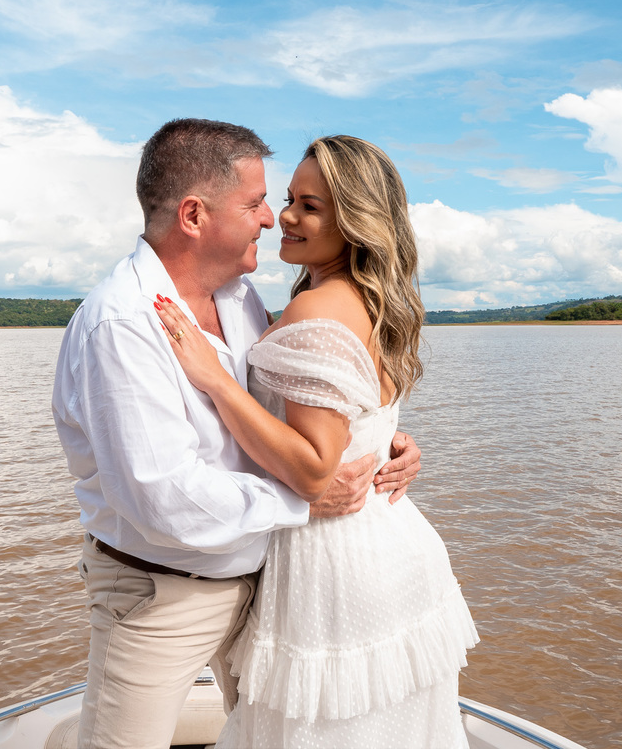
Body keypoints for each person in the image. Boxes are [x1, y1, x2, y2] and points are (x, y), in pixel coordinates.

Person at [51, 119, 424, 749]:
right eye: (258, 203)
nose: (272, 219)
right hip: (164, 594)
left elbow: (301, 407)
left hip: (273, 582)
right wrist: (304, 502)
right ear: (194, 215)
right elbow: (162, 500)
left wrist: (375, 439)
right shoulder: (124, 326)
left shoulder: (243, 300)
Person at [153, 135, 478, 747]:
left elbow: (311, 470)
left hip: (334, 563)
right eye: (289, 199)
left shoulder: (317, 311)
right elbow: (360, 419)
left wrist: (217, 381)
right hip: (392, 540)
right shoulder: (371, 303)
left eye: (313, 206)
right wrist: (393, 445)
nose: (287, 217)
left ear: (356, 221)